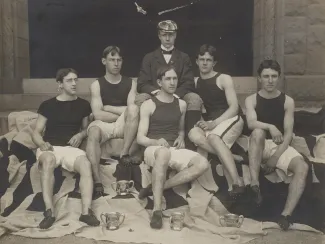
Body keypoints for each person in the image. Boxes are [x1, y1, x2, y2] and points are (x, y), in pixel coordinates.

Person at [137, 65, 209, 229]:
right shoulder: (148, 104)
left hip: (172, 149)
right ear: (159, 82)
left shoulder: (182, 104)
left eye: (174, 78)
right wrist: (155, 142)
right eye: (168, 79)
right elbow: (140, 138)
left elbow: (181, 129)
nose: (172, 82)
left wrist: (181, 137)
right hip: (153, 149)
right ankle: (156, 210)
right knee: (163, 153)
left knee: (203, 163)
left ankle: (154, 187)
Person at [245, 59, 309, 230]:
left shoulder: (287, 101)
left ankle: (285, 215)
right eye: (266, 76)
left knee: (302, 166)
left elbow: (288, 134)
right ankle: (254, 185)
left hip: (278, 144)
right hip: (257, 143)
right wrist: (270, 127)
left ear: (279, 78)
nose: (270, 80)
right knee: (258, 132)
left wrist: (275, 157)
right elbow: (251, 124)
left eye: (274, 76)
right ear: (259, 78)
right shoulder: (252, 99)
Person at [32, 68, 100, 229]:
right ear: (60, 84)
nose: (74, 83)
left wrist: (81, 135)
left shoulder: (83, 104)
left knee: (85, 164)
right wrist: (42, 144)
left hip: (70, 148)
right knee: (48, 160)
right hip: (51, 147)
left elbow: (86, 128)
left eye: (76, 79)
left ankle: (85, 212)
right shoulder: (47, 105)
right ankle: (49, 212)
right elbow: (36, 132)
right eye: (69, 80)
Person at [188, 44, 245, 198]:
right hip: (212, 122)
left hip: (231, 118)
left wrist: (213, 124)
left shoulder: (223, 78)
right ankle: (231, 157)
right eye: (202, 59)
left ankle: (236, 182)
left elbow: (234, 108)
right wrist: (202, 122)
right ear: (197, 61)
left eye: (208, 60)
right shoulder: (195, 82)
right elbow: (198, 106)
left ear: (214, 63)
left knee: (213, 138)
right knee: (193, 133)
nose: (205, 62)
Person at [136, 20, 202, 150]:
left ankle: (190, 141)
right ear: (159, 36)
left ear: (175, 36)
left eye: (170, 34)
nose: (167, 38)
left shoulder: (183, 57)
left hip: (178, 95)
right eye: (164, 34)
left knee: (194, 98)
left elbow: (189, 82)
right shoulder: (149, 57)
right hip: (155, 95)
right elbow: (142, 83)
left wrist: (175, 95)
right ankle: (140, 145)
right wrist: (158, 93)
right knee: (140, 99)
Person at [86, 46, 139, 198]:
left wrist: (108, 107)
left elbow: (132, 109)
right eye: (112, 60)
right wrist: (123, 113)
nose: (116, 63)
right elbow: (97, 114)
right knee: (94, 131)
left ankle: (124, 154)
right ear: (104, 61)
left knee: (134, 109)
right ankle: (97, 181)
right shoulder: (97, 84)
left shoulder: (131, 83)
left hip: (123, 124)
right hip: (106, 124)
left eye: (119, 60)